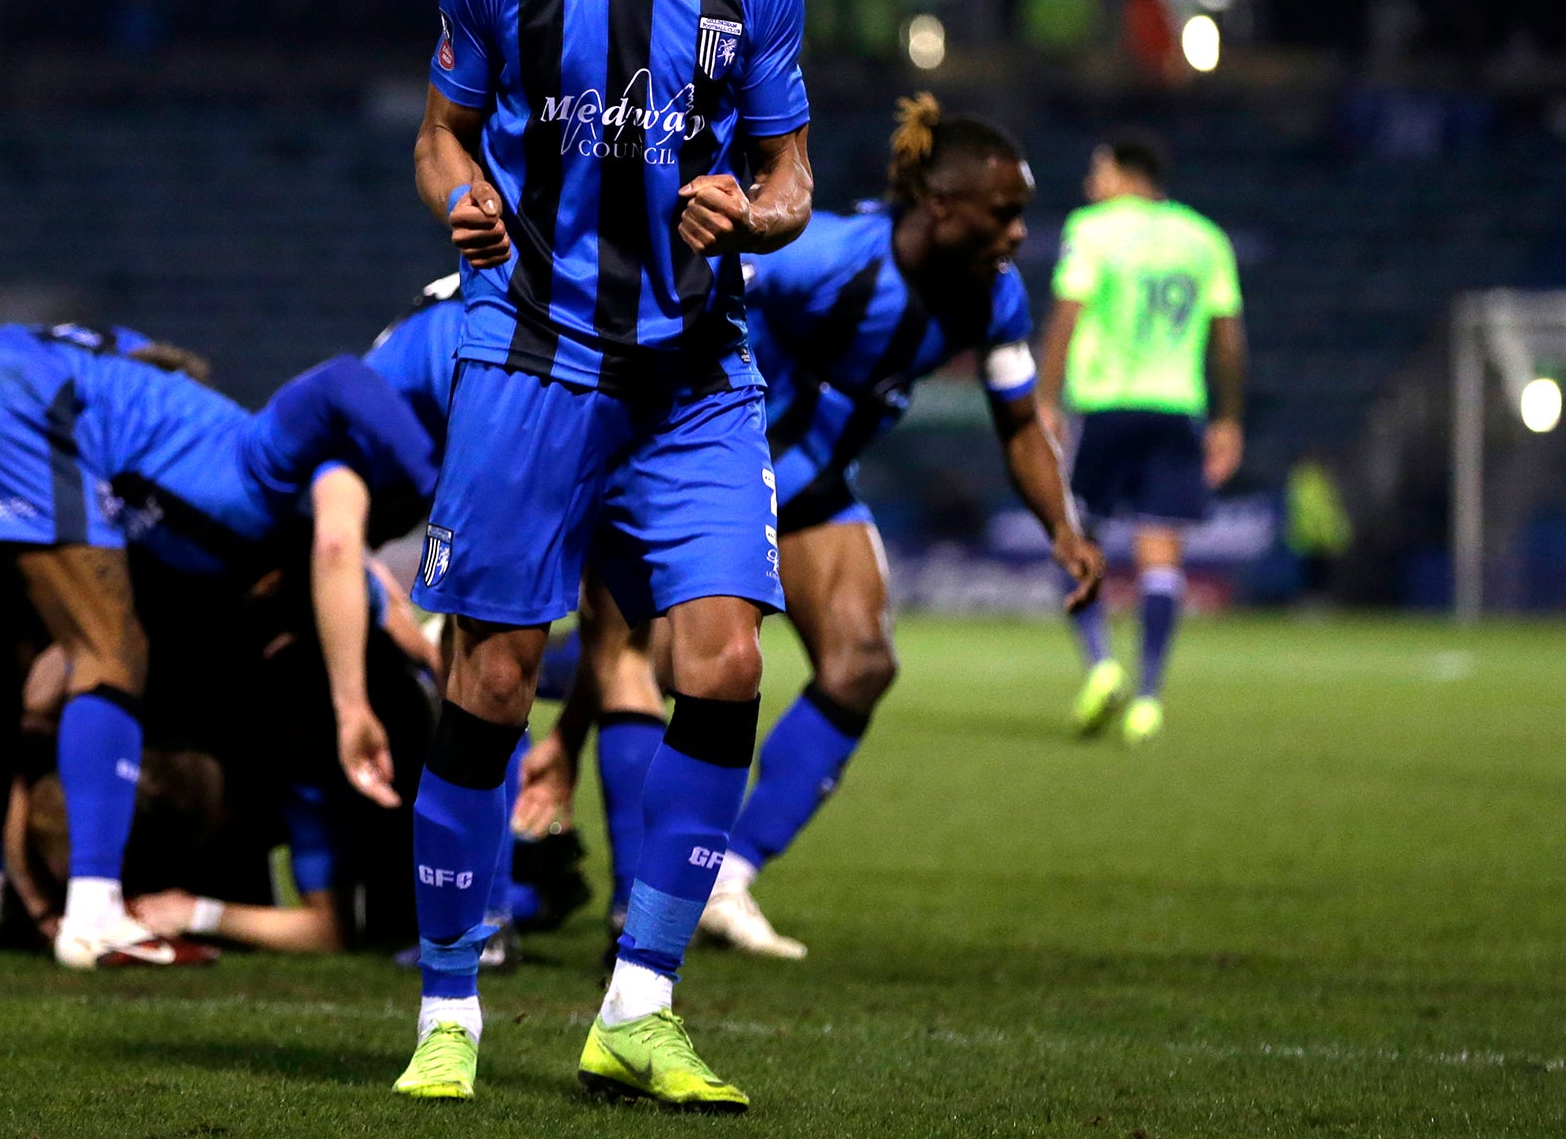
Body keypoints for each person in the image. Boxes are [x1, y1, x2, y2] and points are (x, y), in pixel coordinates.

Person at [398, 0, 814, 1109]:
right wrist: (459, 195)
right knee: (496, 679)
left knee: (727, 666)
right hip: (527, 355)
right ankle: (448, 1007)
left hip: (694, 373)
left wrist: (750, 215)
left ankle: (640, 1004)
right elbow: (444, 129)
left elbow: (794, 173)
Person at [520, 97, 1105, 961]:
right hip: (713, 479)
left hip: (816, 488)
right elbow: (683, 294)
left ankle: (727, 876)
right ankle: (596, 815)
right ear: (942, 206)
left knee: (862, 662)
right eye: (1006, 214)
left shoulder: (995, 297)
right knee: (665, 669)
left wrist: (1063, 523)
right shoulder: (828, 257)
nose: (1020, 234)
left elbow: (1020, 423)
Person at [0, 324, 437, 969]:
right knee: (112, 651)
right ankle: (95, 913)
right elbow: (340, 380)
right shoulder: (257, 462)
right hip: (0, 392)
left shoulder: (172, 551)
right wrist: (432, 483)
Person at [1038, 134, 1246, 744]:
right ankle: (1149, 698)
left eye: (1097, 170)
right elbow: (1228, 336)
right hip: (1177, 406)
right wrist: (1229, 420)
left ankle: (1102, 665)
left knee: (1073, 540)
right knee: (1162, 555)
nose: (1089, 183)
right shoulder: (1204, 237)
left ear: (1128, 174)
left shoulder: (1094, 229)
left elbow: (1067, 315)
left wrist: (1046, 400)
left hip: (1105, 406)